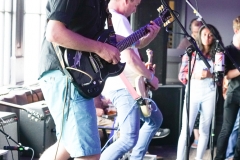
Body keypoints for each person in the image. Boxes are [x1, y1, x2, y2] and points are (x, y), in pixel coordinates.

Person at [38, 0, 122, 160]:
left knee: (66, 146)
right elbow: (54, 33)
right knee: (88, 154)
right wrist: (101, 48)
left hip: (72, 76)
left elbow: (94, 38)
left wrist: (138, 41)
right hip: (64, 74)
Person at [99, 0, 164, 159]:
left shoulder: (111, 17)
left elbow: (135, 45)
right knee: (128, 139)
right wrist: (151, 77)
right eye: (135, 5)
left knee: (155, 120)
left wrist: (151, 35)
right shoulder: (118, 19)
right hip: (123, 86)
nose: (135, 10)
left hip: (126, 85)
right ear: (126, 0)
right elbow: (130, 58)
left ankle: (136, 157)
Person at [177, 24, 222, 160]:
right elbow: (182, 76)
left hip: (210, 92)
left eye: (210, 35)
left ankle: (199, 158)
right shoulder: (192, 53)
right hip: (193, 92)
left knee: (205, 129)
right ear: (199, 36)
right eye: (204, 35)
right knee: (186, 129)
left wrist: (210, 75)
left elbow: (220, 78)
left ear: (214, 37)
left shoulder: (218, 54)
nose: (207, 38)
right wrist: (195, 75)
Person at [215, 16, 240, 160]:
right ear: (236, 31)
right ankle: (219, 157)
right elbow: (227, 75)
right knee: (226, 129)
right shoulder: (228, 51)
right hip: (233, 93)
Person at [177, 18, 203, 149]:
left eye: (200, 25)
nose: (198, 27)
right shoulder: (186, 41)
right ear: (191, 28)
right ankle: (194, 138)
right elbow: (179, 54)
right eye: (196, 26)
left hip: (204, 83)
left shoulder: (204, 41)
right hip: (190, 79)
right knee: (191, 114)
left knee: (201, 113)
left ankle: (200, 139)